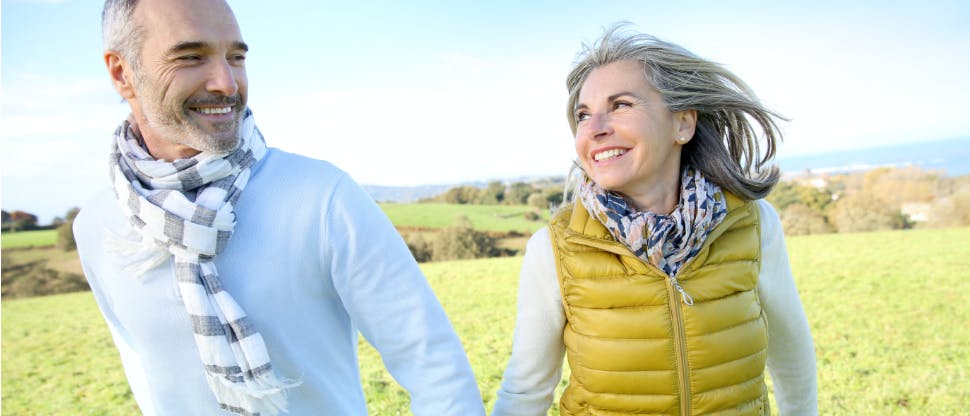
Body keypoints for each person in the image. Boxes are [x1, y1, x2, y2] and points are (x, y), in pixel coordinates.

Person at [73, 0, 485, 415]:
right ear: (121, 73)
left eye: (236, 57)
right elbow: (145, 376)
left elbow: (435, 368)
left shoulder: (322, 197)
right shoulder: (97, 226)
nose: (226, 83)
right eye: (191, 57)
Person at [491, 24, 817, 416]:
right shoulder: (554, 249)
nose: (595, 129)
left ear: (683, 123)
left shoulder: (753, 224)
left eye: (621, 105)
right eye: (583, 114)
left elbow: (791, 353)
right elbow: (525, 393)